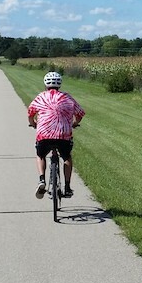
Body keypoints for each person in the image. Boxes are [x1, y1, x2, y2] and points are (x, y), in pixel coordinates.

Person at [28, 71, 85, 199]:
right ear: (60, 84)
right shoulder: (67, 97)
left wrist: (33, 123)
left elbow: (30, 113)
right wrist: (74, 123)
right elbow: (80, 114)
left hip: (44, 135)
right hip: (63, 135)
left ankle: (42, 180)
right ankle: (67, 187)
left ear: (45, 84)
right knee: (67, 158)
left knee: (40, 155)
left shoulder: (41, 97)